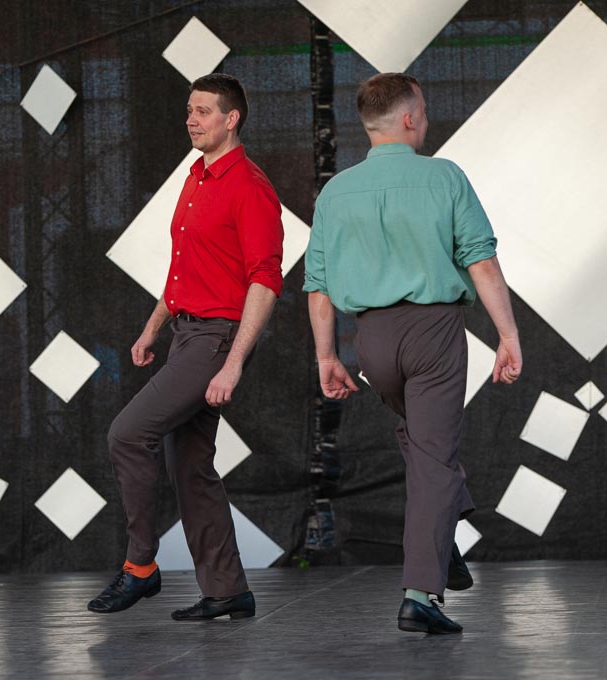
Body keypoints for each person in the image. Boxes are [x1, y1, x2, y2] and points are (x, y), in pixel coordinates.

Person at [303, 73, 523, 634]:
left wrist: (327, 357)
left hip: (371, 343)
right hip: (433, 334)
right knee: (432, 458)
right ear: (408, 118)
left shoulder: (335, 193)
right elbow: (481, 261)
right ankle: (420, 594)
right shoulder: (443, 176)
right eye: (422, 110)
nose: (426, 119)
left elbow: (318, 285)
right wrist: (508, 335)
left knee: (424, 449)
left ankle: (440, 540)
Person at [88, 73, 284, 621]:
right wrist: (153, 327)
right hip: (185, 334)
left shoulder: (249, 186)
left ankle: (140, 568)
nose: (191, 119)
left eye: (202, 111)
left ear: (231, 118)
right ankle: (227, 589)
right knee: (189, 466)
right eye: (189, 110)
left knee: (128, 433)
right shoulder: (196, 177)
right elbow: (186, 271)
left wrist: (234, 362)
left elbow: (266, 280)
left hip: (217, 339)